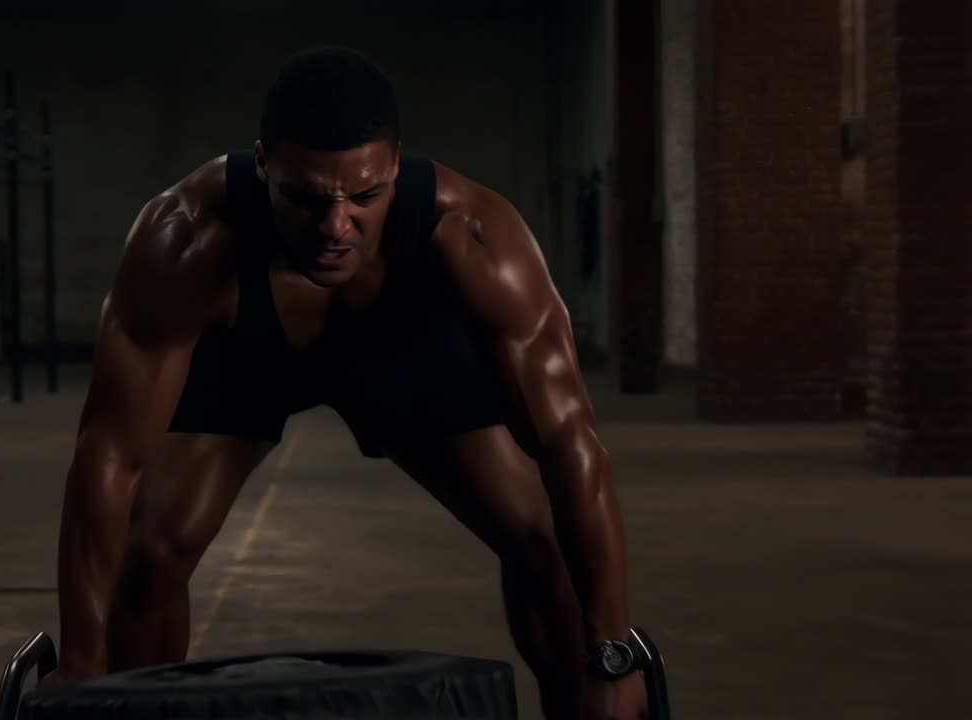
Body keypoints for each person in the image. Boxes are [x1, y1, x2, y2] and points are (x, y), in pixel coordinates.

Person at [45, 46, 647, 720]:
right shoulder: (187, 240)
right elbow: (109, 456)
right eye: (304, 198)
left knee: (542, 542)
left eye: (365, 197)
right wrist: (79, 665)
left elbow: (569, 441)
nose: (336, 227)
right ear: (263, 164)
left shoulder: (471, 237)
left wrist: (613, 652)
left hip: (405, 352)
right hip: (250, 357)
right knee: (151, 552)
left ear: (394, 165)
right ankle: (131, 710)